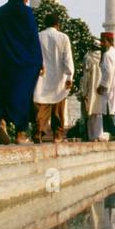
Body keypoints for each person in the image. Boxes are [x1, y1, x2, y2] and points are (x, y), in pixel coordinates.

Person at [0, 0, 43, 144]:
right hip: (23, 63)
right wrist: (39, 62)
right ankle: (20, 133)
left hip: (2, 61)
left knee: (3, 91)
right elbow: (33, 40)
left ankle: (2, 121)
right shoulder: (26, 13)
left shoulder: (0, 12)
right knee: (23, 95)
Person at [33, 10, 74, 143]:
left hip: (42, 77)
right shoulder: (63, 38)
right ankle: (57, 135)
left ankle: (39, 131)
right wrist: (69, 76)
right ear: (58, 24)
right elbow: (67, 58)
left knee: (43, 107)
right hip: (59, 78)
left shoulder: (38, 36)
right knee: (58, 109)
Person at [78, 46, 103, 140]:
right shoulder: (103, 57)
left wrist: (84, 91)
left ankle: (92, 135)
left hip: (91, 88)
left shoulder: (88, 57)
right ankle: (100, 134)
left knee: (91, 112)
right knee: (100, 112)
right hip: (102, 87)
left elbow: (86, 75)